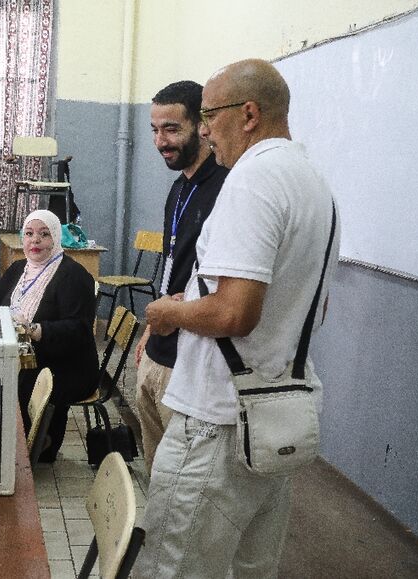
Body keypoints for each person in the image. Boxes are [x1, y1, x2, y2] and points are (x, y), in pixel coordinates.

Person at [136, 58, 340, 578]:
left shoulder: (252, 180)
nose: (205, 130)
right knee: (252, 568)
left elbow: (235, 312)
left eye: (209, 115)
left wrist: (170, 310)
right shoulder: (312, 181)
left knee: (174, 566)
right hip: (274, 413)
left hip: (217, 423)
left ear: (248, 113)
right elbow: (302, 307)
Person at [134, 80, 228, 474]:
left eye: (171, 129)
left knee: (182, 478)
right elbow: (173, 266)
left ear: (202, 125)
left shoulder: (226, 187)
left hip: (191, 359)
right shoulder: (178, 188)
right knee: (157, 473)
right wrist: (147, 330)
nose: (160, 141)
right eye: (155, 130)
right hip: (158, 348)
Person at [0, 209, 98, 462]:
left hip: (68, 363)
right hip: (26, 353)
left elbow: (78, 330)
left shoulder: (74, 276)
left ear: (56, 238)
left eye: (44, 234)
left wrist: (34, 330)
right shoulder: (17, 269)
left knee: (17, 380)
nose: (35, 241)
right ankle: (1, 442)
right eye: (29, 234)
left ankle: (34, 447)